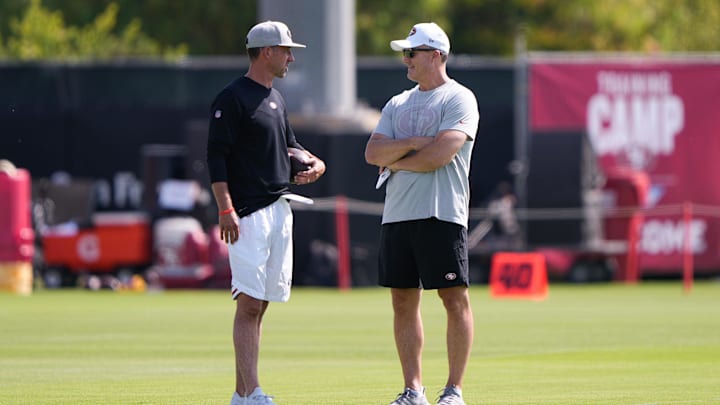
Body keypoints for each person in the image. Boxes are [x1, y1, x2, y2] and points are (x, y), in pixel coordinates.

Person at [206, 20, 326, 405]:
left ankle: (243, 395)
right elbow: (215, 157)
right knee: (249, 302)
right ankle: (252, 391)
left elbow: (290, 145)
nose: (291, 57)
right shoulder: (233, 97)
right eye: (287, 50)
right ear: (267, 52)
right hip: (246, 213)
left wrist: (316, 162)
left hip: (279, 208)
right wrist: (225, 208)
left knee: (262, 304)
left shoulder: (276, 98)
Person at [364, 22, 480, 405]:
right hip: (398, 214)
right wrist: (413, 144)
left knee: (453, 298)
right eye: (405, 53)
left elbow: (440, 156)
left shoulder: (459, 98)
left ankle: (454, 391)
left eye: (412, 53)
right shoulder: (398, 103)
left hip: (441, 212)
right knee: (402, 300)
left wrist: (398, 158)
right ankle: (413, 389)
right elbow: (373, 153)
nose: (406, 59)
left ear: (437, 56)